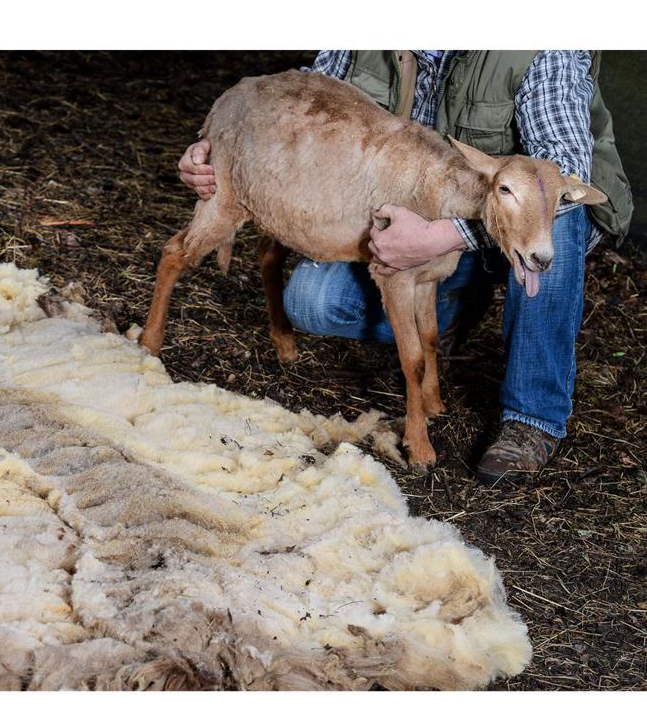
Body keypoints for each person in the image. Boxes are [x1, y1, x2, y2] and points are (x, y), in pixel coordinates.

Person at [177, 50, 633, 485]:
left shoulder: (540, 40)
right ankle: (456, 302)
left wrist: (441, 237)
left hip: (510, 223)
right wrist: (214, 145)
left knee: (559, 228)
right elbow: (306, 94)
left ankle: (533, 418)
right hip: (411, 212)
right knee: (312, 302)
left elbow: (567, 165)